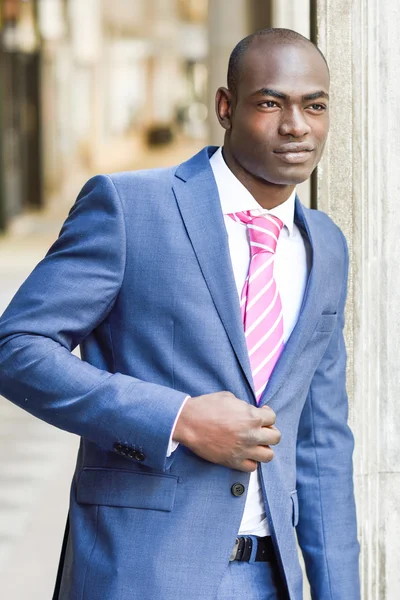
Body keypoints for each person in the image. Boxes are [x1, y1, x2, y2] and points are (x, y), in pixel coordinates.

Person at [0, 28, 360, 600]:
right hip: (141, 573)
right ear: (225, 106)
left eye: (314, 106)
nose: (297, 126)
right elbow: (17, 348)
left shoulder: (326, 247)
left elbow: (321, 443)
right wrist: (177, 419)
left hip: (272, 579)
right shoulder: (130, 206)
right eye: (271, 103)